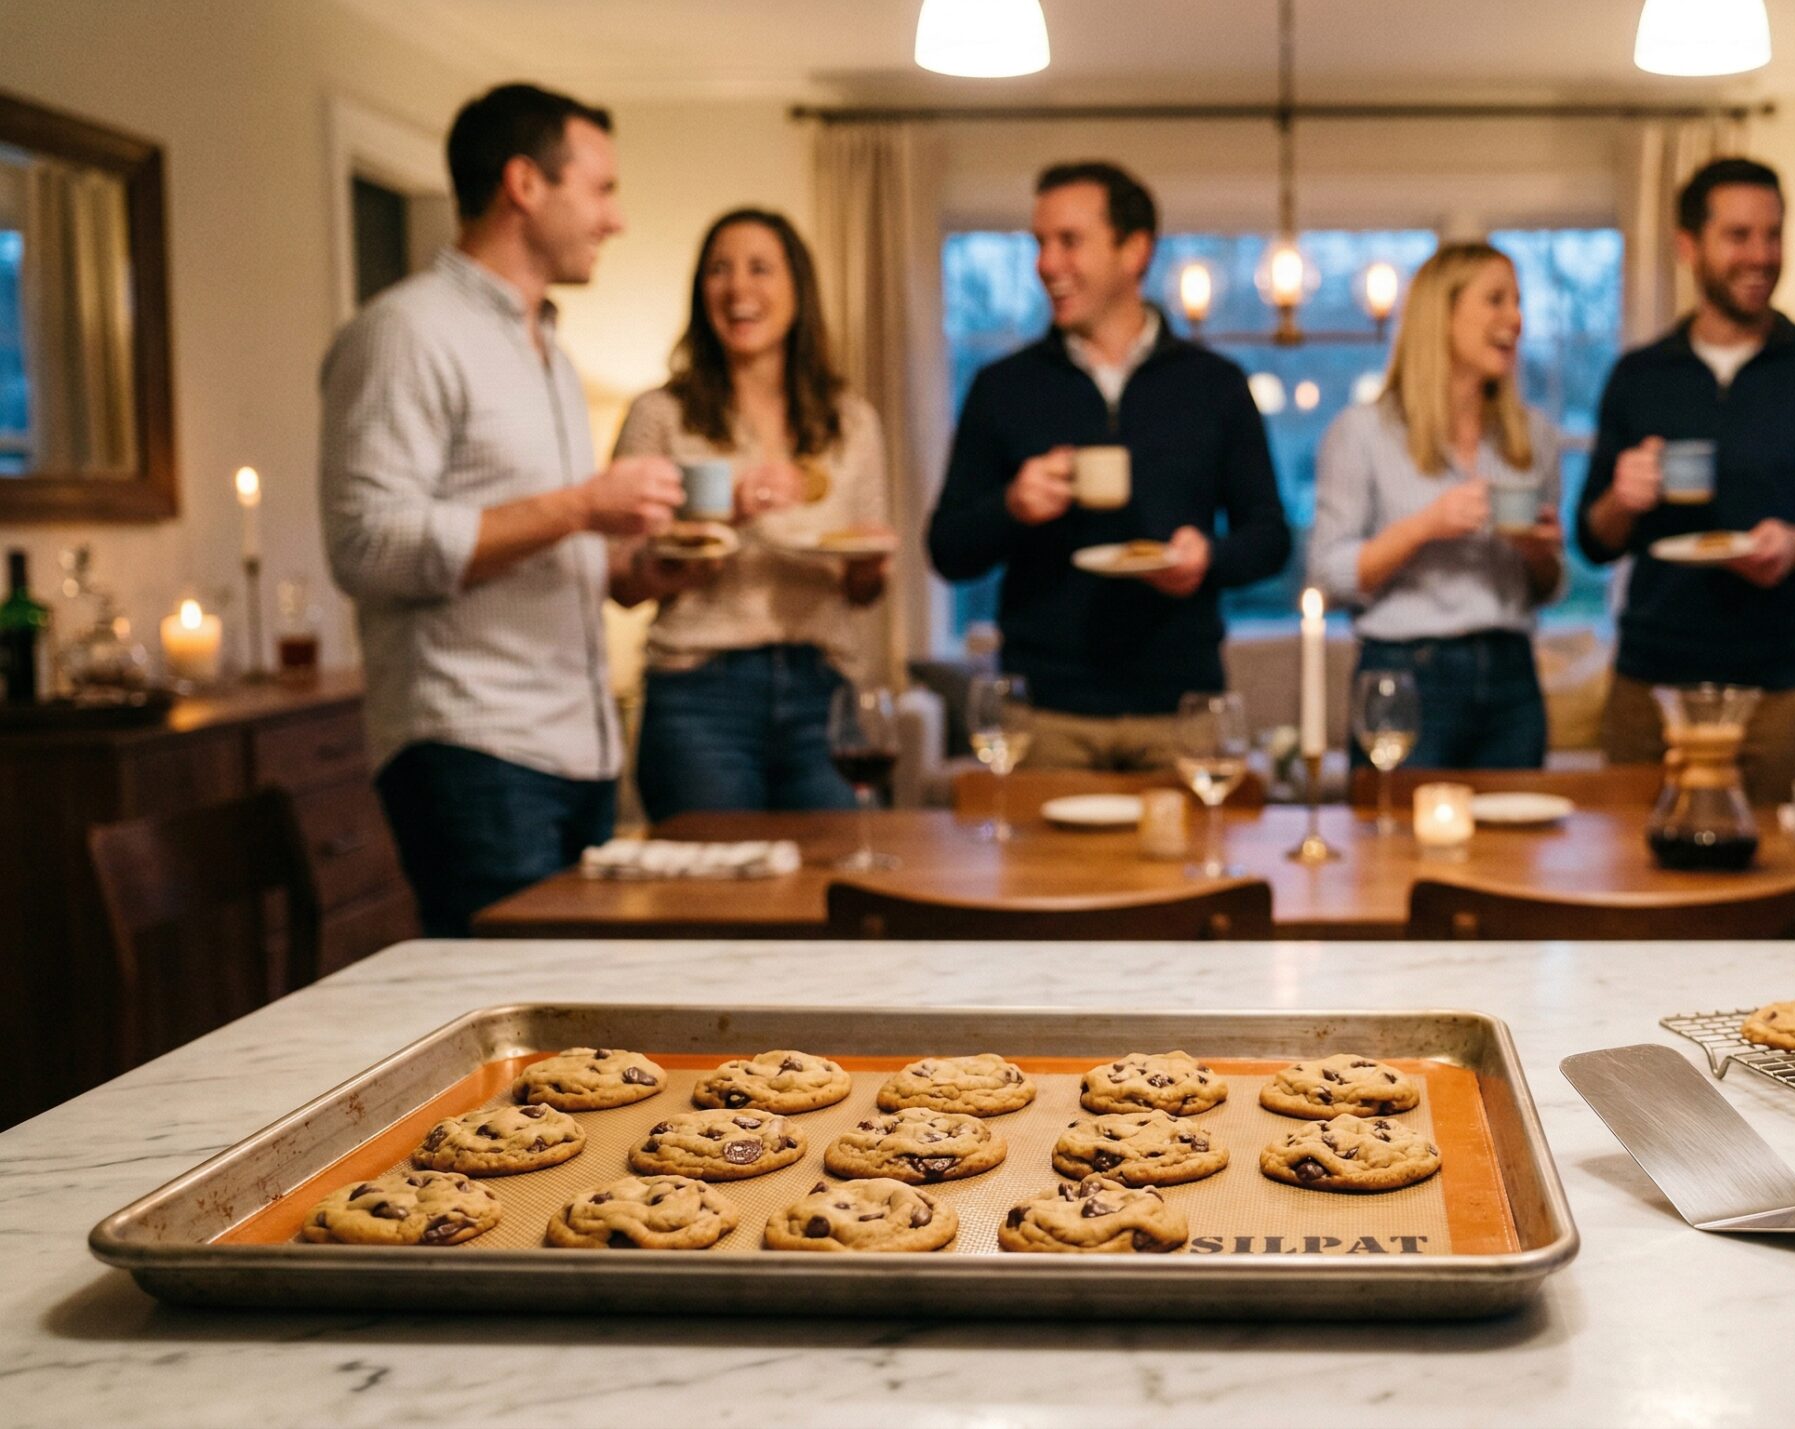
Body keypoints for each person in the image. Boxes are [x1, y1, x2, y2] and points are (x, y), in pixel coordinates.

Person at [322, 82, 680, 938]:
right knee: (514, 1027)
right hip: (473, 747)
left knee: (573, 1043)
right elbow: (366, 545)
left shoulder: (550, 353)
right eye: (600, 189)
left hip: (577, 746)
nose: (615, 218)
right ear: (525, 184)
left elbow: (536, 545)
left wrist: (641, 570)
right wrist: (585, 503)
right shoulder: (405, 333)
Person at [926, 161, 1289, 771]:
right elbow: (946, 549)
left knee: (1196, 873)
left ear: (1134, 251)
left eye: (1069, 241)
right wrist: (1012, 507)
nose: (1046, 264)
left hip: (1183, 714)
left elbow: (1270, 537)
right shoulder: (1002, 386)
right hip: (1043, 717)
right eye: (1040, 243)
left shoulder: (1215, 385)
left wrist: (1207, 559)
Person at [1574, 157, 1795, 807]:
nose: (1761, 255)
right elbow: (1592, 539)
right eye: (1739, 236)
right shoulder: (1639, 376)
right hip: (1652, 692)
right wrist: (1623, 498)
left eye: (1773, 234)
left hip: (1781, 691)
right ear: (1688, 247)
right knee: (1638, 887)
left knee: (1785, 887)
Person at [610, 208, 892, 820]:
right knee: (712, 901)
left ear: (798, 289)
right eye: (719, 270)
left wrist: (870, 563)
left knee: (837, 889)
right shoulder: (660, 415)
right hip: (697, 693)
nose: (738, 288)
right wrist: (722, 520)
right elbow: (621, 578)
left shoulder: (852, 422)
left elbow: (862, 590)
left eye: (760, 268)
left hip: (824, 686)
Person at [1308, 242, 1566, 769]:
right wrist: (1424, 526)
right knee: (1393, 847)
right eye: (1495, 300)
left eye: (1518, 301)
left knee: (1514, 850)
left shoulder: (1533, 436)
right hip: (1405, 674)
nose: (1514, 319)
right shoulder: (1362, 433)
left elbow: (1549, 587)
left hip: (1512, 676)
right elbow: (1328, 576)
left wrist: (1536, 553)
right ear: (1440, 316)